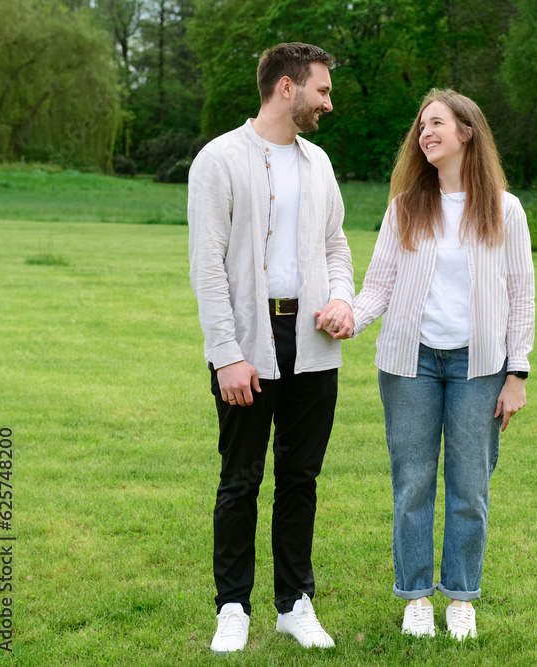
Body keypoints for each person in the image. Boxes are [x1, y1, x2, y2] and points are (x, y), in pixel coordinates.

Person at [318, 88, 535, 640]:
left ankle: (460, 597)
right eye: (420, 127)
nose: (424, 133)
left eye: (435, 123)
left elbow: (521, 295)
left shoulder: (505, 210)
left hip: (479, 368)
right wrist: (349, 316)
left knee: (471, 486)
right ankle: (415, 596)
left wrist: (517, 373)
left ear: (467, 131)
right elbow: (380, 285)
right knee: (412, 482)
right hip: (409, 365)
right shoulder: (406, 206)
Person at [188, 42, 355, 655]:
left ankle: (294, 604)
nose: (328, 103)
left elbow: (336, 246)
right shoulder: (220, 159)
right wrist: (227, 354)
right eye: (323, 90)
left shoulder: (319, 164)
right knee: (240, 480)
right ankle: (232, 606)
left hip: (312, 345)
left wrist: (341, 299)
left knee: (300, 480)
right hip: (248, 344)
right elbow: (208, 268)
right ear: (288, 88)